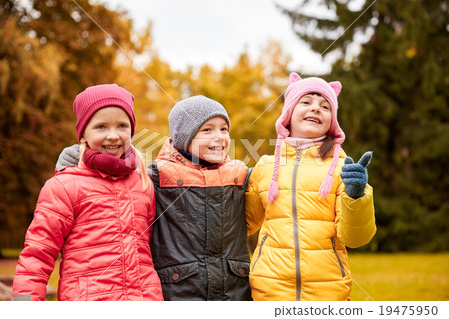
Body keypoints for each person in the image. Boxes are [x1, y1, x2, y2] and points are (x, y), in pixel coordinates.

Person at [55, 95, 252, 301]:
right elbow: (118, 187)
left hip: (234, 290)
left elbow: (258, 205)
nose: (219, 136)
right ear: (185, 136)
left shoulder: (238, 174)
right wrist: (80, 158)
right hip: (180, 291)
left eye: (224, 129)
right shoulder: (158, 176)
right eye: (207, 130)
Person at [12, 84, 163, 301]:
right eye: (101, 127)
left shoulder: (143, 184)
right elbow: (38, 253)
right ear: (83, 132)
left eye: (122, 125)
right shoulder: (64, 186)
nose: (113, 135)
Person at [245, 73, 376, 301]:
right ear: (288, 114)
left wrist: (356, 197)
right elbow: (243, 224)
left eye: (325, 106)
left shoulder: (342, 170)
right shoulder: (266, 166)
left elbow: (356, 238)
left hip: (327, 292)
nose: (316, 109)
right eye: (306, 102)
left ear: (332, 121)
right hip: (269, 290)